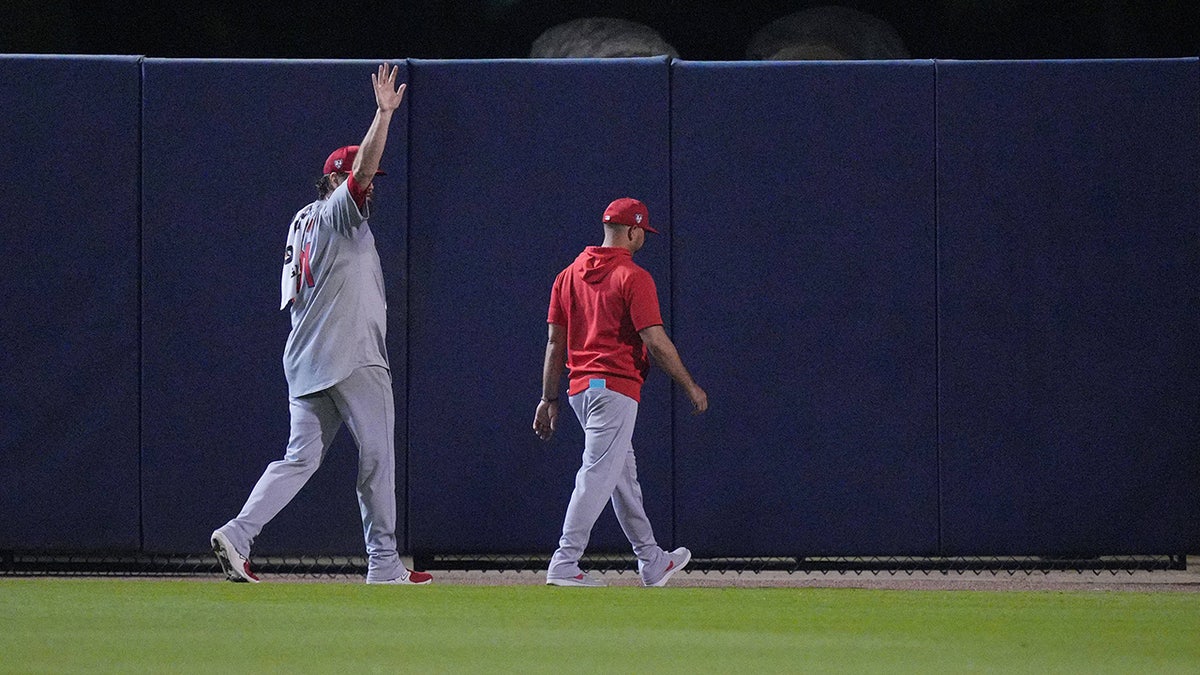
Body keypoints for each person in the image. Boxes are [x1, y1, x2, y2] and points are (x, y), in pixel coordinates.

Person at [211, 63, 432, 585]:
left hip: (306, 356)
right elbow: (356, 178)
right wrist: (382, 115)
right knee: (378, 456)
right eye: (362, 177)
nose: (371, 185)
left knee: (299, 459)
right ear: (333, 178)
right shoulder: (337, 212)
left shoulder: (300, 218)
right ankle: (382, 562)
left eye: (373, 179)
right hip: (351, 353)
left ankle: (239, 532)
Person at [534, 197, 708, 587]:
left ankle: (651, 559)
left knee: (621, 476)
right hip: (614, 388)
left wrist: (549, 398)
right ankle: (565, 561)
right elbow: (656, 342)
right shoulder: (633, 277)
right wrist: (689, 384)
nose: (643, 239)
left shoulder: (567, 275)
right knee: (597, 474)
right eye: (643, 233)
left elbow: (553, 343)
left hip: (582, 391)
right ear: (632, 232)